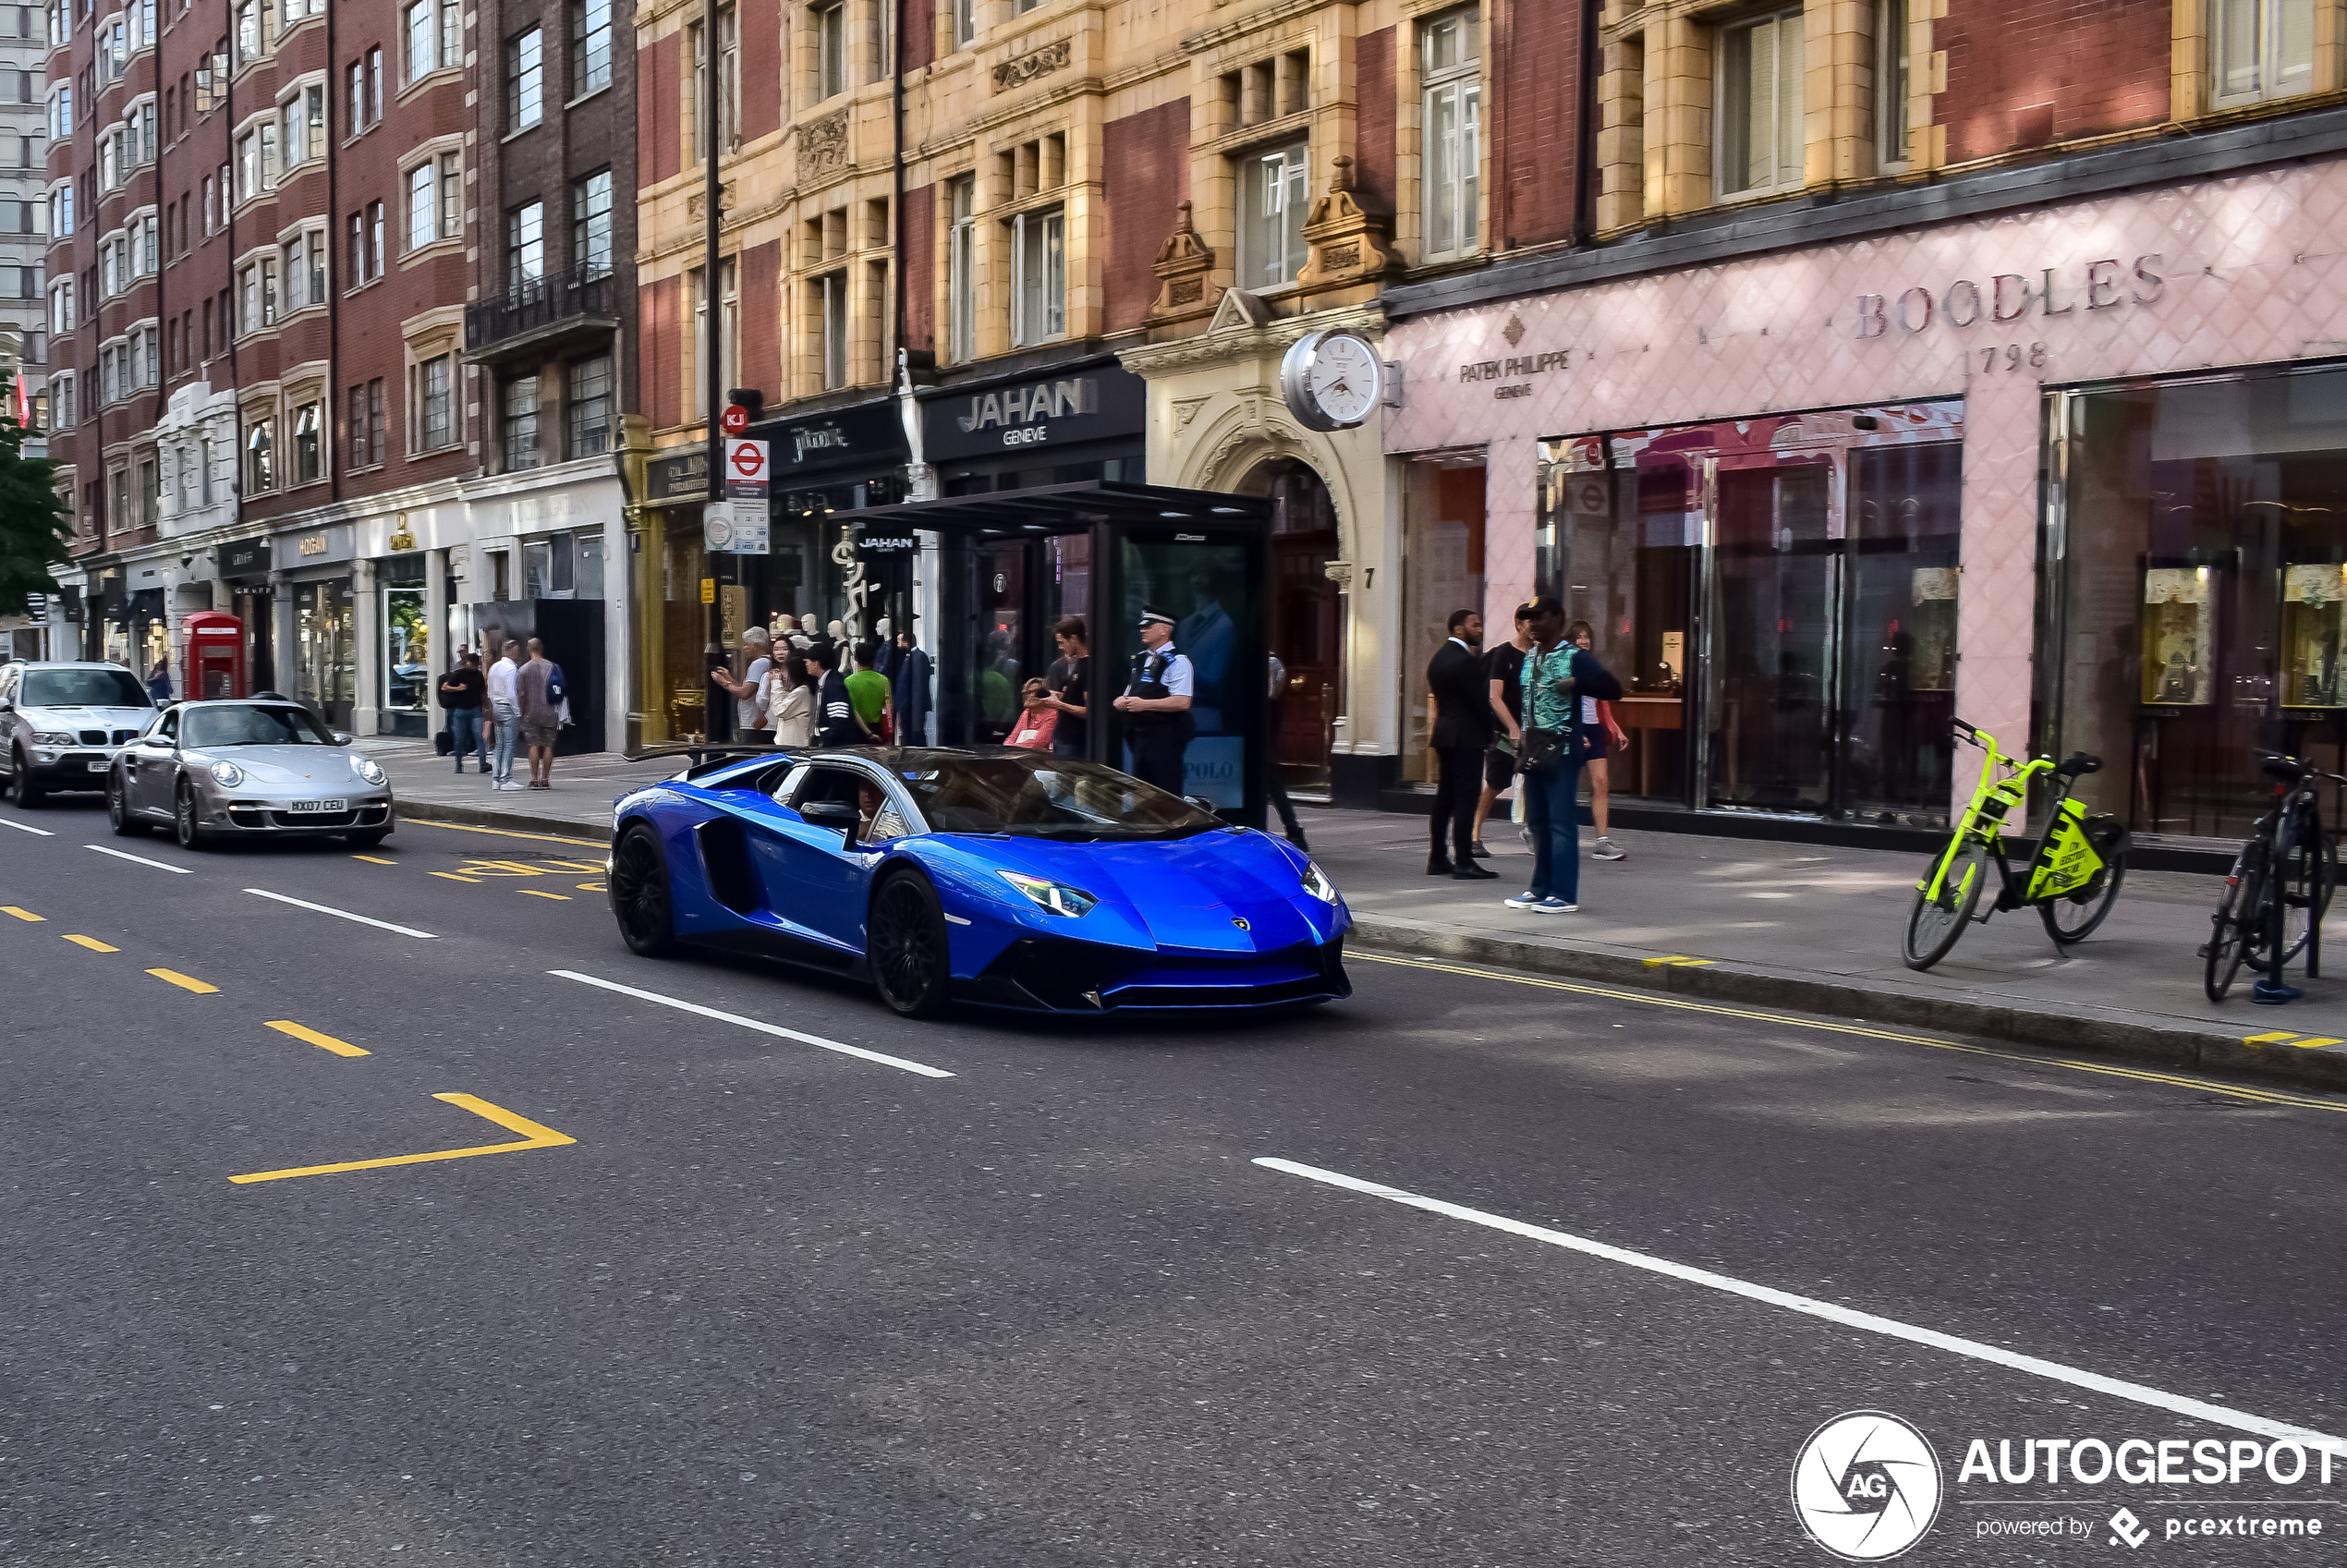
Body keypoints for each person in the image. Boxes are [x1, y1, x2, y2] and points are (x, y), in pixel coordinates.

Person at [1505, 597, 1622, 914]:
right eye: (1527, 618)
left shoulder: (1574, 657)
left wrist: (1577, 683)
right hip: (1534, 749)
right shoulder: (1532, 655)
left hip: (1562, 749)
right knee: (1538, 822)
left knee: (1560, 823)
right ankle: (1540, 889)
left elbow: (1613, 688)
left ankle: (1564, 893)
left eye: (1537, 618)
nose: (1531, 623)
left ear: (1557, 619)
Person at [1426, 608, 1496, 879]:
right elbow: (1478, 704)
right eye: (1475, 625)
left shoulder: (1438, 659)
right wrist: (1490, 734)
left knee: (1445, 797)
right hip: (1466, 738)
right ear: (1458, 630)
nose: (1479, 629)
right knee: (1466, 799)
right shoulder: (1464, 661)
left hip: (1444, 734)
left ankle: (1437, 858)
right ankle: (1464, 861)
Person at [1566, 619, 1633, 861]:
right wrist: (1575, 730)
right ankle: (1538, 830)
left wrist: (1616, 729)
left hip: (1593, 727)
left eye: (1587, 637)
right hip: (1572, 726)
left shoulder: (1592, 666)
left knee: (1601, 782)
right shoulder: (1567, 664)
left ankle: (1602, 841)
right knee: (1563, 784)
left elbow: (1603, 704)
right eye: (1579, 637)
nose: (1584, 641)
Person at [1474, 603, 1535, 854]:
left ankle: (1532, 830)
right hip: (1506, 735)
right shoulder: (1504, 654)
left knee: (1537, 781)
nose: (1535, 628)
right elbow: (1495, 697)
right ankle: (1474, 834)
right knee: (1496, 784)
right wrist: (1512, 727)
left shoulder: (1541, 655)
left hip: (1536, 732)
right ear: (1518, 624)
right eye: (1531, 623)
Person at [1114, 606, 1194, 795]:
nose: (1143, 630)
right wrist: (1120, 701)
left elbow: (1183, 701)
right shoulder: (1142, 659)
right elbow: (1130, 692)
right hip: (1140, 738)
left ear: (1165, 630)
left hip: (1164, 737)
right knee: (1142, 796)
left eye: (1149, 626)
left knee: (1166, 796)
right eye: (1142, 626)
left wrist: (1143, 705)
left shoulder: (1178, 661)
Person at [1264, 650, 1307, 850]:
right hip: (1268, 724)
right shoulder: (1273, 662)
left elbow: (1270, 695)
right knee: (1272, 783)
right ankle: (1294, 830)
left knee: (1273, 782)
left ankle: (1295, 831)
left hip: (1264, 725)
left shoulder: (1271, 662)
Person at [709, 626, 774, 742]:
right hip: (756, 720)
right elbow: (747, 688)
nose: (745, 648)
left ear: (757, 645)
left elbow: (745, 693)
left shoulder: (758, 664)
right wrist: (730, 678)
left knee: (749, 755)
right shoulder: (766, 661)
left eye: (747, 644)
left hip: (752, 722)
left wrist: (724, 682)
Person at [517, 637, 560, 790]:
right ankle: (546, 779)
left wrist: (522, 714)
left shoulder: (523, 670)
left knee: (533, 745)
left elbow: (521, 695)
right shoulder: (552, 667)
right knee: (548, 745)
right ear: (542, 649)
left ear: (529, 650)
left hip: (531, 712)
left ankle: (534, 779)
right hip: (549, 712)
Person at [1043, 616, 1089, 759]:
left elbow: (1088, 710)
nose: (1060, 647)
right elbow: (1076, 698)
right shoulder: (1079, 664)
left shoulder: (1088, 667)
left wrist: (1059, 704)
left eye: (1062, 642)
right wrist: (1056, 696)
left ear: (1074, 639)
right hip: (1063, 738)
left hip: (1073, 741)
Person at [437, 651, 488, 775]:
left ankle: (476, 764)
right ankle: (464, 764)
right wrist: (458, 689)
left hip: (470, 710)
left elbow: (483, 692)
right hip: (464, 710)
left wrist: (485, 707)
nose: (474, 666)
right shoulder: (461, 674)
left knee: (468, 738)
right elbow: (445, 687)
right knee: (467, 738)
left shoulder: (477, 675)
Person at [486, 639, 523, 790]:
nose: (519, 654)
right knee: (509, 745)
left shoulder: (494, 667)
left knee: (499, 745)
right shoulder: (511, 669)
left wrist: (495, 703)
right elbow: (512, 693)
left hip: (497, 707)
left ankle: (496, 779)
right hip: (508, 707)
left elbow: (490, 691)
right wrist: (518, 710)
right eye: (517, 651)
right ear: (512, 652)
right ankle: (506, 779)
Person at [810, 646, 866, 747]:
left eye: (808, 661)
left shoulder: (834, 685)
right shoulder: (824, 682)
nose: (806, 664)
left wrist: (826, 740)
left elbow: (839, 718)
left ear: (816, 663)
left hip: (835, 745)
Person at [845, 641, 893, 742]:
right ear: (874, 659)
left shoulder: (849, 681)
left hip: (857, 730)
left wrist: (868, 732)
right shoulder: (884, 680)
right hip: (878, 728)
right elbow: (888, 708)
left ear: (855, 657)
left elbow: (853, 710)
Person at [893, 628, 932, 746]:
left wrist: (906, 708)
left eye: (899, 642)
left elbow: (918, 686)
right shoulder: (907, 657)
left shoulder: (919, 657)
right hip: (906, 707)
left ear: (906, 643)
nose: (898, 645)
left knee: (916, 737)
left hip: (912, 708)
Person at [768, 656, 814, 747]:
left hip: (793, 746)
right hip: (788, 744)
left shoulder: (802, 691)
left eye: (785, 670)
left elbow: (779, 710)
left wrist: (776, 684)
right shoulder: (798, 691)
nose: (782, 674)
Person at [1007, 678, 1058, 750]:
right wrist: (1009, 748)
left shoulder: (1052, 714)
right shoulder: (1026, 713)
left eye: (1036, 692)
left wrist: (1015, 748)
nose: (1032, 695)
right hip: (1020, 754)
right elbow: (1012, 738)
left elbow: (1039, 743)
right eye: (1028, 692)